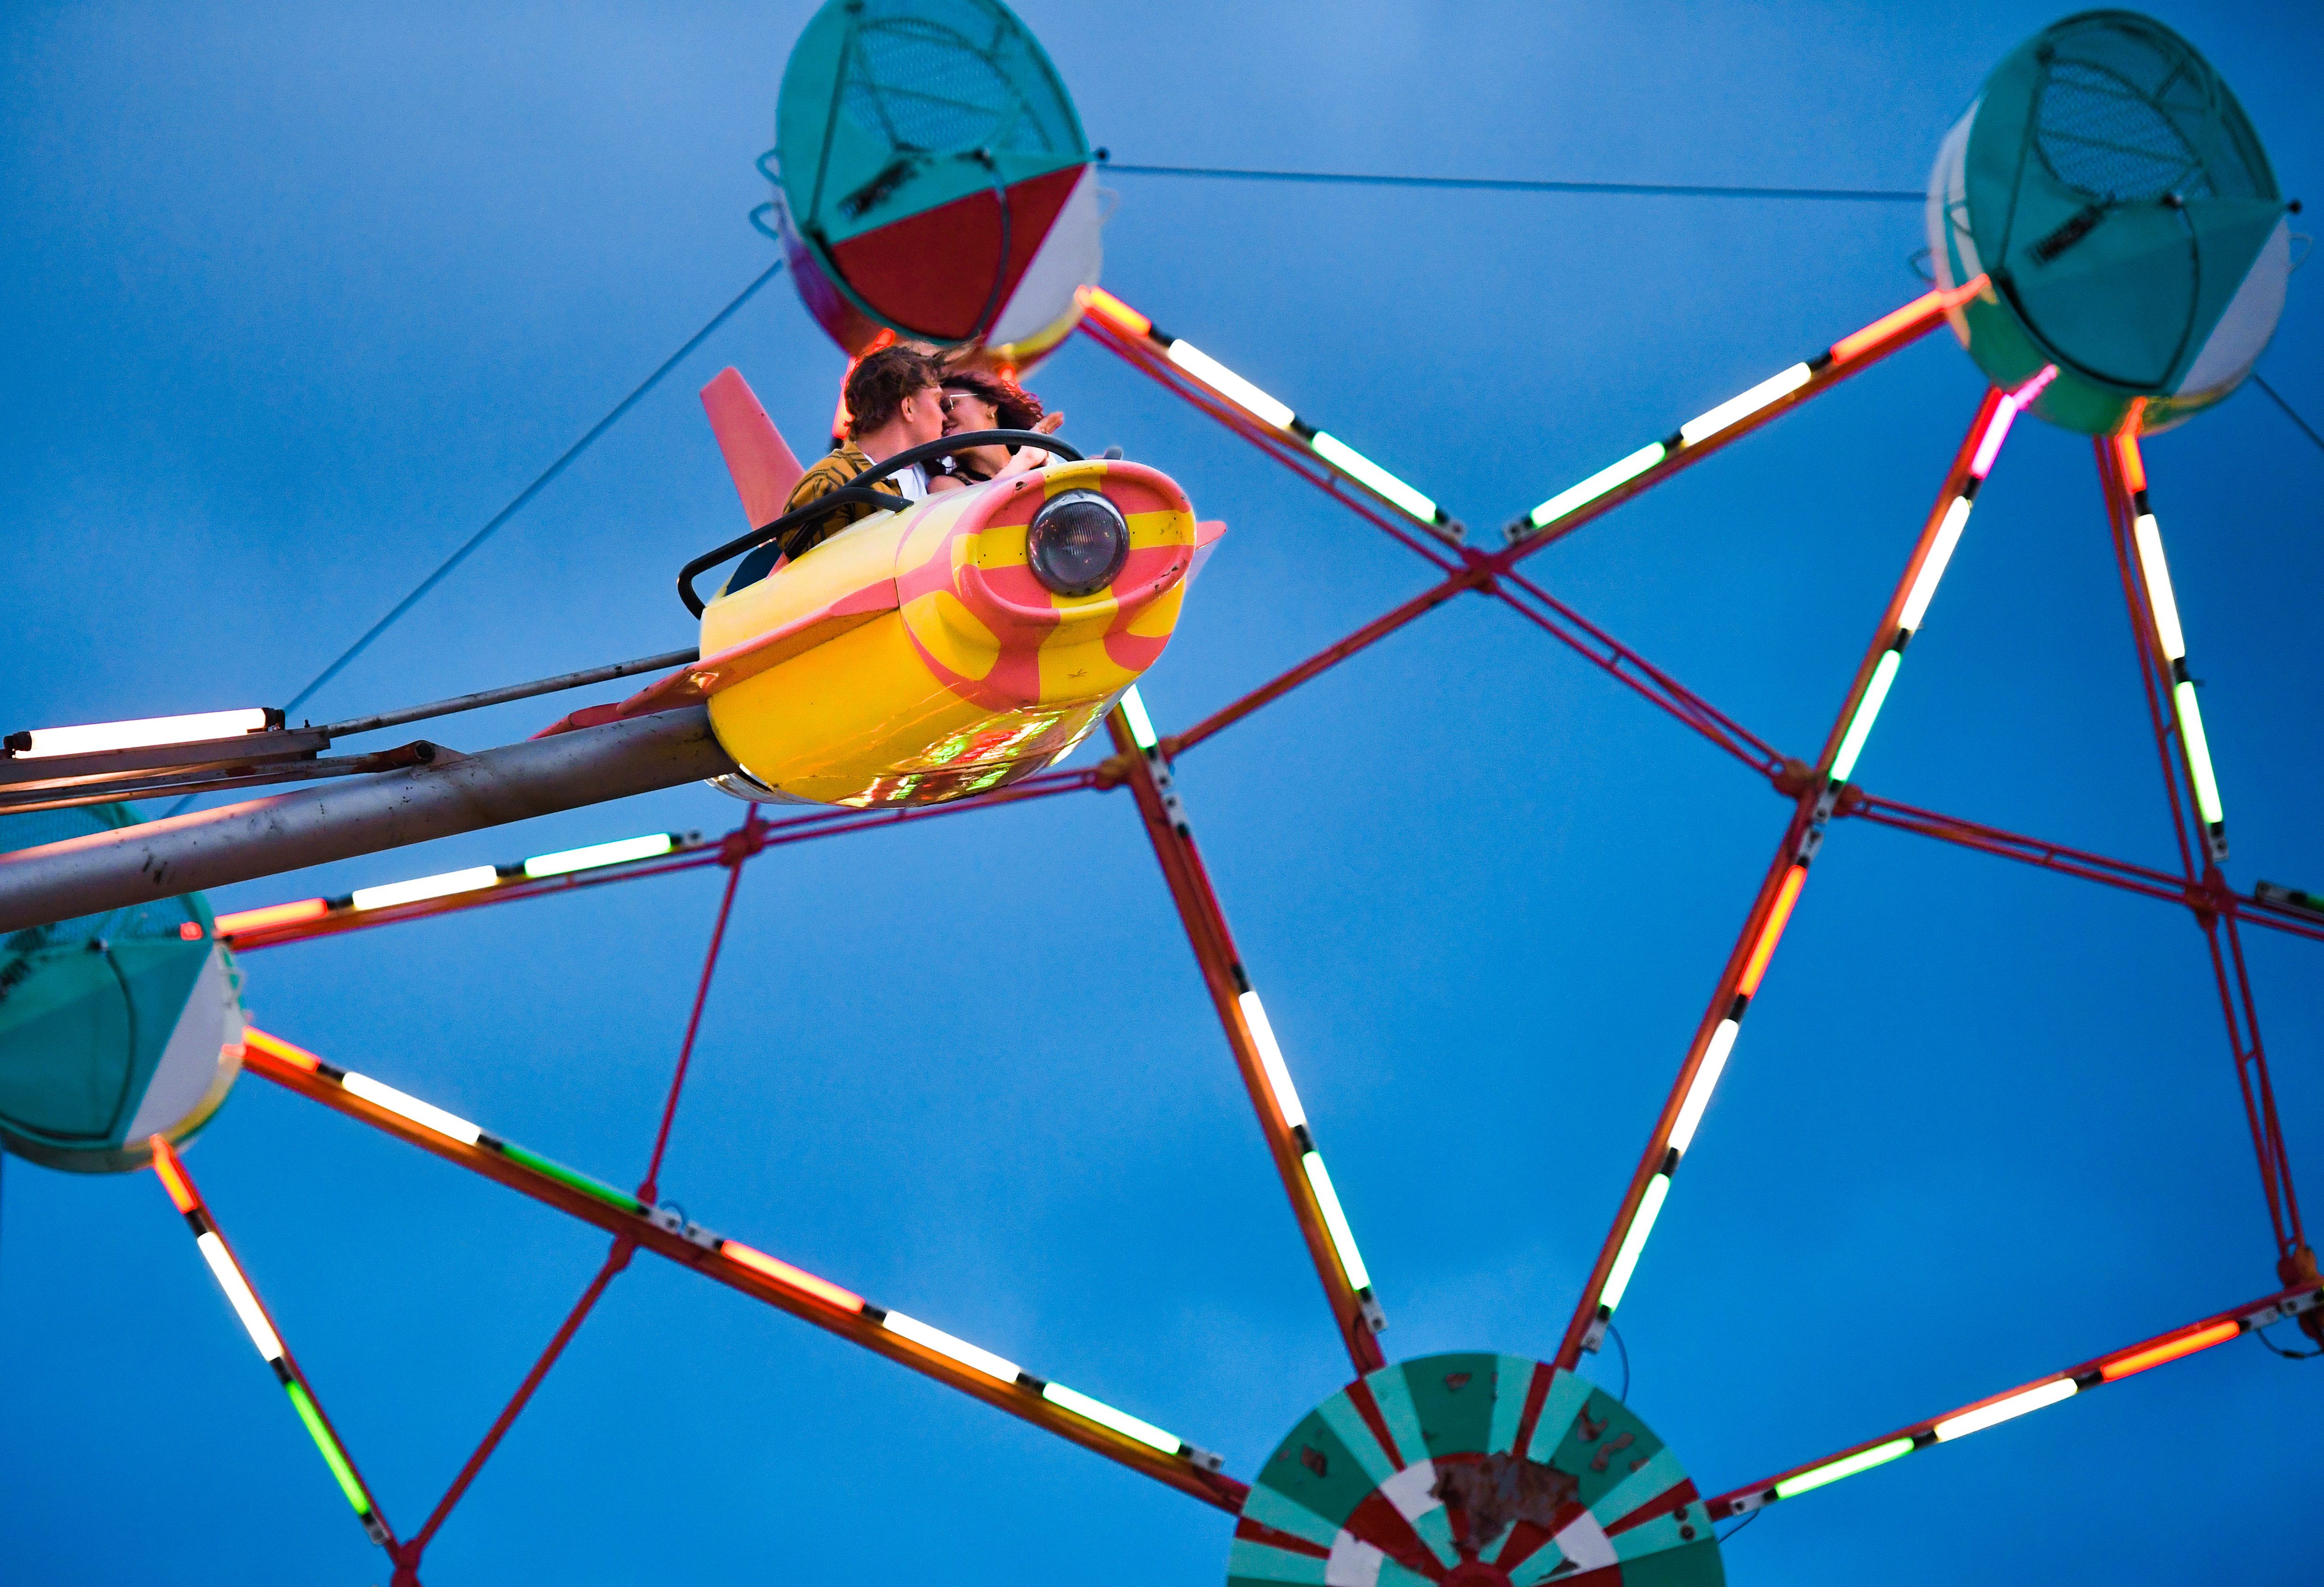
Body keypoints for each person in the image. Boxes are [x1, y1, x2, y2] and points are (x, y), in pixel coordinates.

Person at [777, 342, 947, 559]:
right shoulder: (832, 484)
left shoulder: (938, 473)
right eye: (938, 401)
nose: (945, 416)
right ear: (909, 408)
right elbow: (824, 585)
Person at [928, 367, 1066, 491]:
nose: (943, 418)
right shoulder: (945, 486)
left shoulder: (1044, 470)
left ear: (990, 404)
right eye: (936, 413)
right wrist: (1026, 459)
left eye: (947, 406)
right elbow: (980, 514)